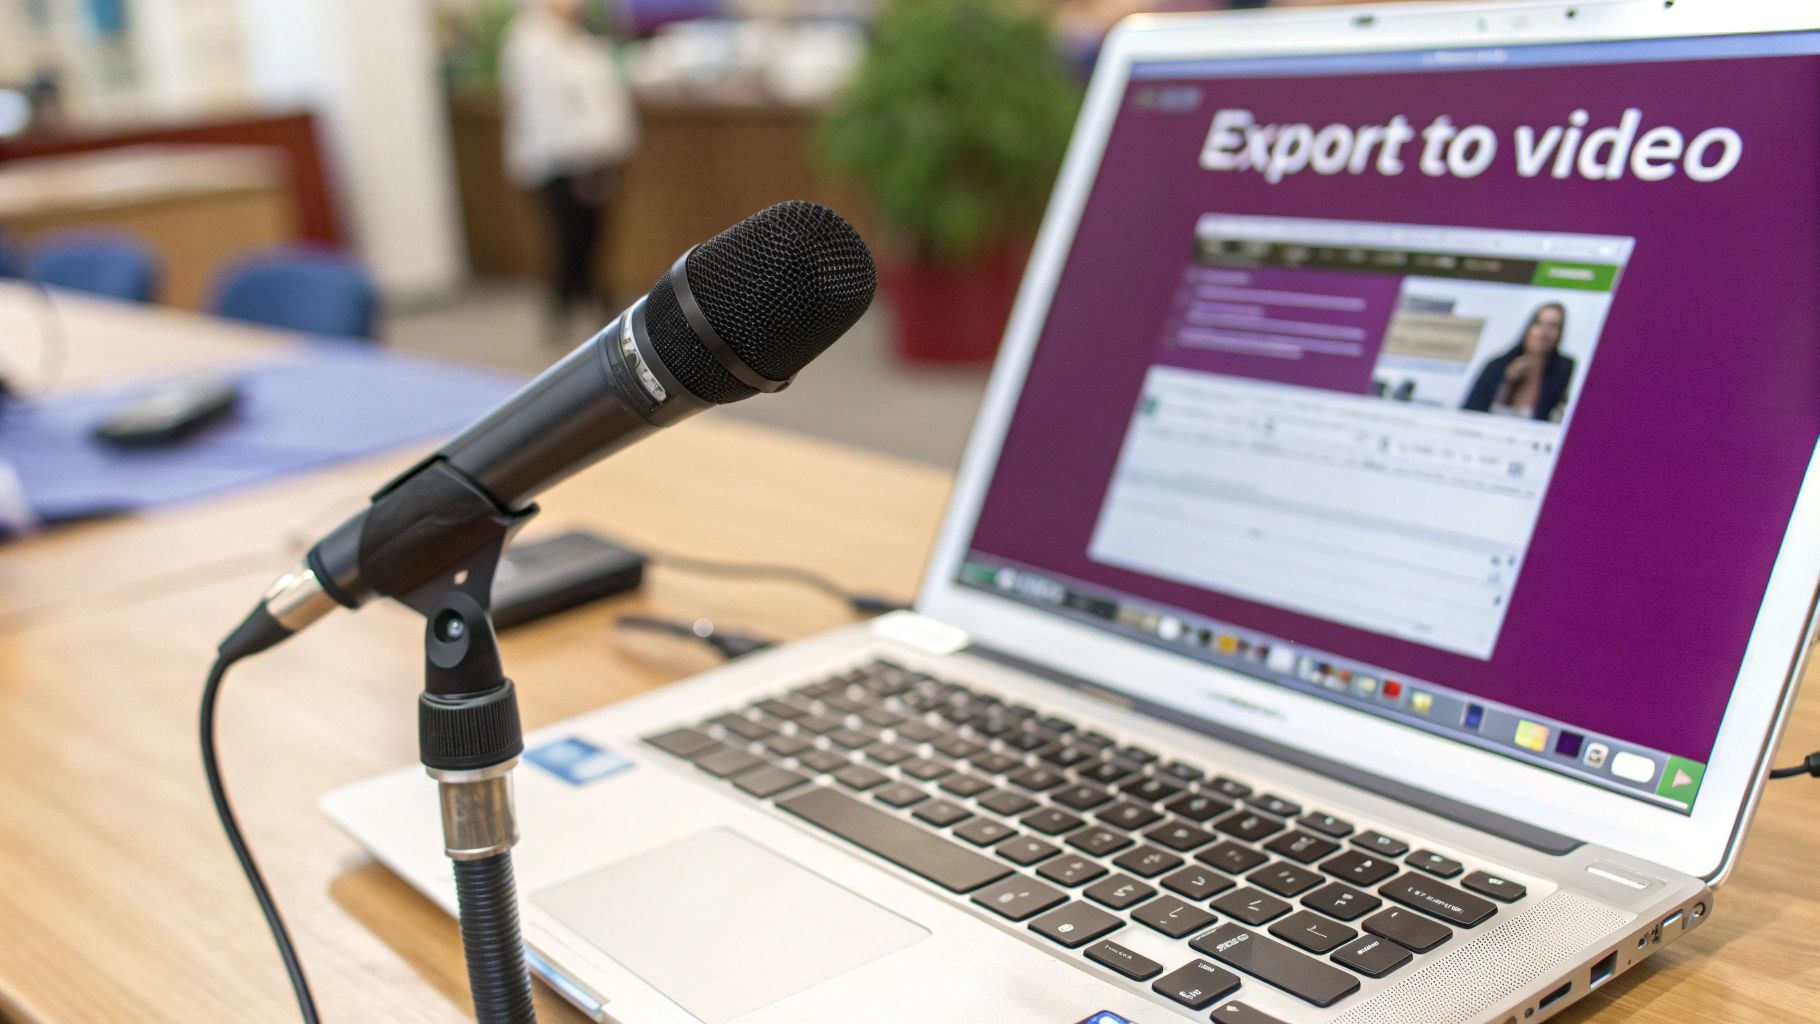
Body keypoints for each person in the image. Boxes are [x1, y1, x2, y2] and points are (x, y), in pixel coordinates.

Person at [500, 0, 639, 340]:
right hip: (556, 162)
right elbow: (541, 113)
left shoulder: (585, 42)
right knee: (570, 239)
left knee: (591, 237)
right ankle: (572, 308)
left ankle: (590, 305)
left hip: (594, 158)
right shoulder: (530, 44)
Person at [1461, 302, 1576, 421]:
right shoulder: (1496, 366)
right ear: (1529, 327)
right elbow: (1468, 413)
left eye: (1553, 326)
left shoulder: (1563, 370)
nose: (1543, 333)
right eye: (1539, 323)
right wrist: (1506, 381)